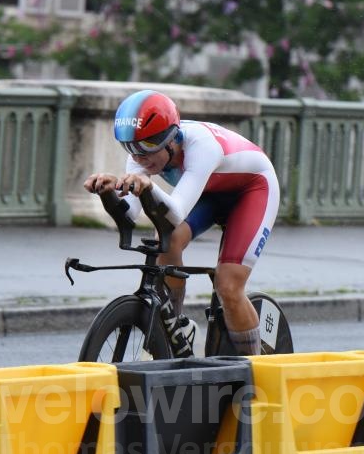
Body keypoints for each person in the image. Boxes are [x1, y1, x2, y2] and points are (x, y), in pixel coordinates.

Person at [84, 89, 280, 357]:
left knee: (228, 286)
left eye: (146, 147)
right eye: (129, 148)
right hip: (209, 193)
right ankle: (175, 327)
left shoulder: (202, 146)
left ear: (170, 140)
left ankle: (257, 371)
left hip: (252, 191)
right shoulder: (142, 152)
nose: (139, 157)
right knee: (167, 239)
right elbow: (128, 214)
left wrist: (147, 187)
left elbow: (175, 211)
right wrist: (107, 192)